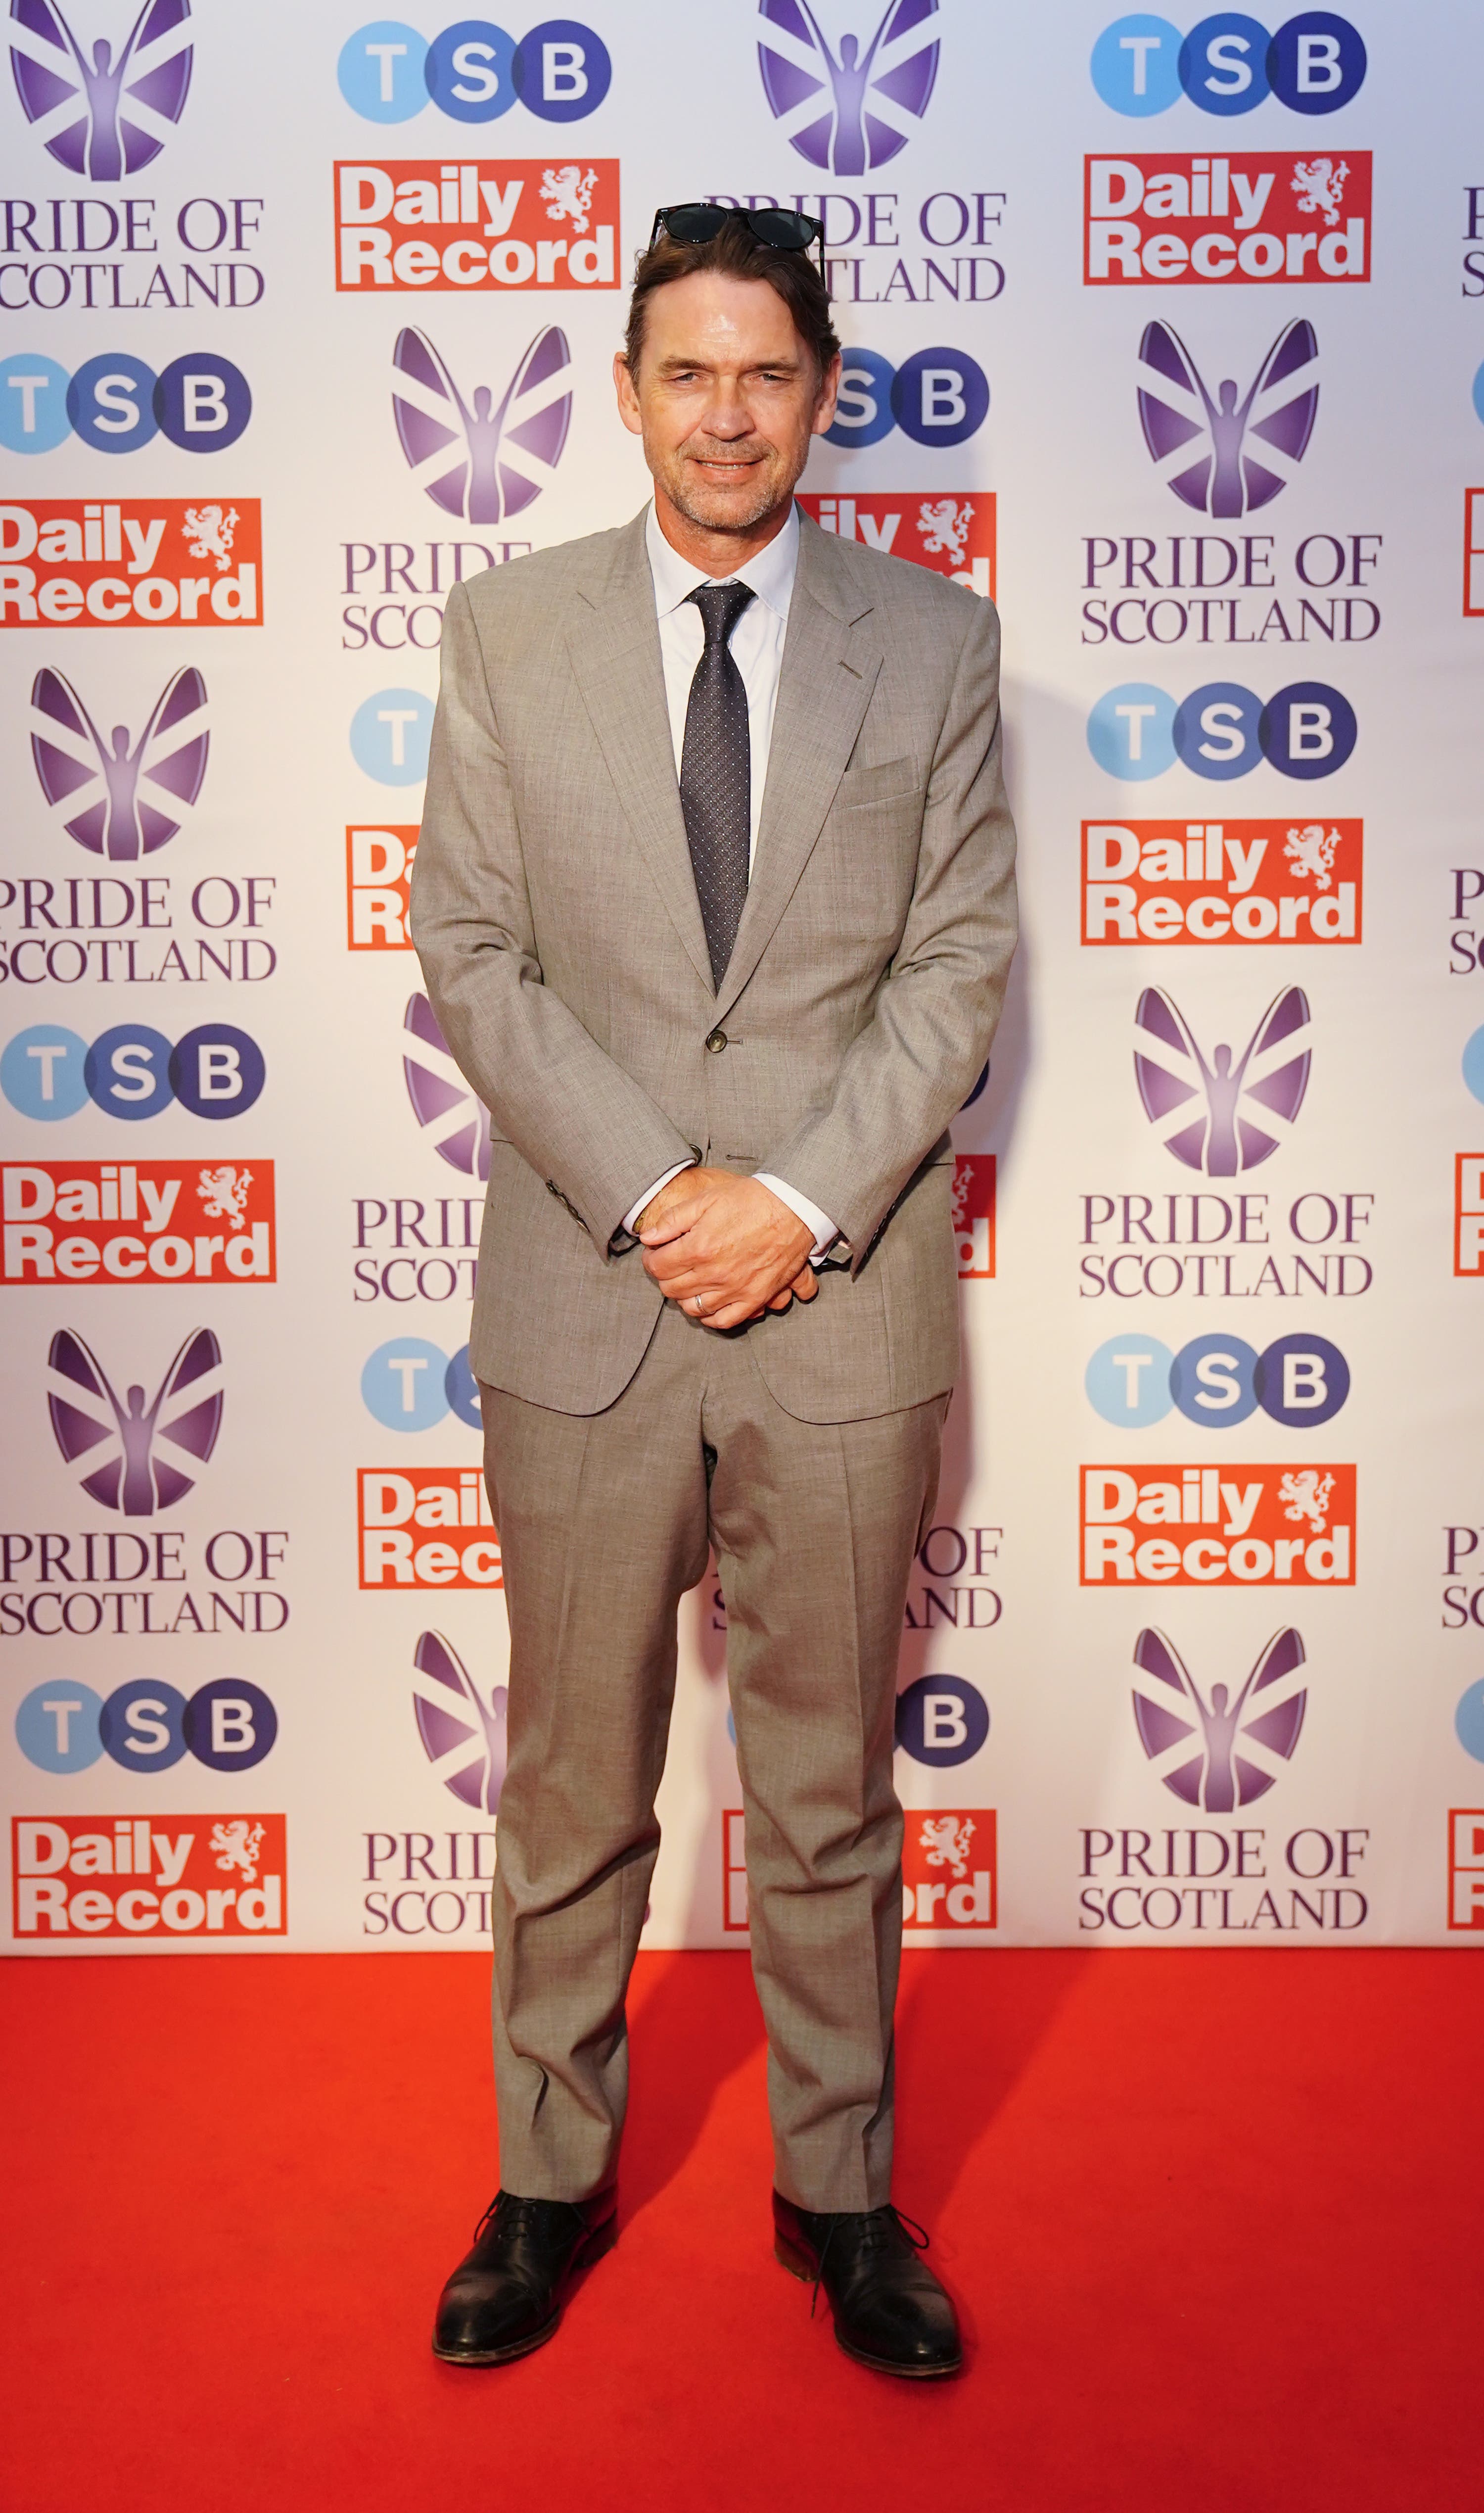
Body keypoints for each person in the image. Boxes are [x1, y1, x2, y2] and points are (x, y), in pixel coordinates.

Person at [410, 201, 1018, 2379]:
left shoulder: (935, 648)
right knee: (576, 1775)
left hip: (840, 1306)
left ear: (824, 396)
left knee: (831, 1779)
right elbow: (470, 950)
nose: (732, 409)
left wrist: (798, 1201)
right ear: (631, 388)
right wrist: (671, 1186)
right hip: (591, 1294)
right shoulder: (507, 630)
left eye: (771, 372)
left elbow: (955, 973)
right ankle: (545, 2175)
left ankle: (840, 2189)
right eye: (692, 370)